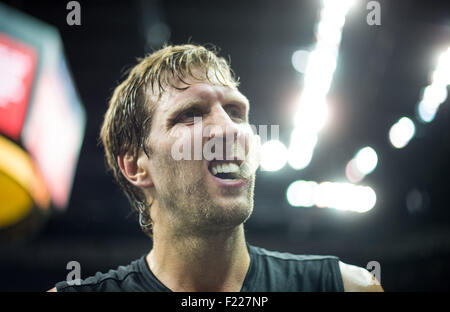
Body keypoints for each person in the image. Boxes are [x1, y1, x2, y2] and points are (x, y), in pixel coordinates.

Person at [48, 44, 383, 292]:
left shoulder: (349, 288)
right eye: (190, 114)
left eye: (236, 112)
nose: (229, 130)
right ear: (135, 165)